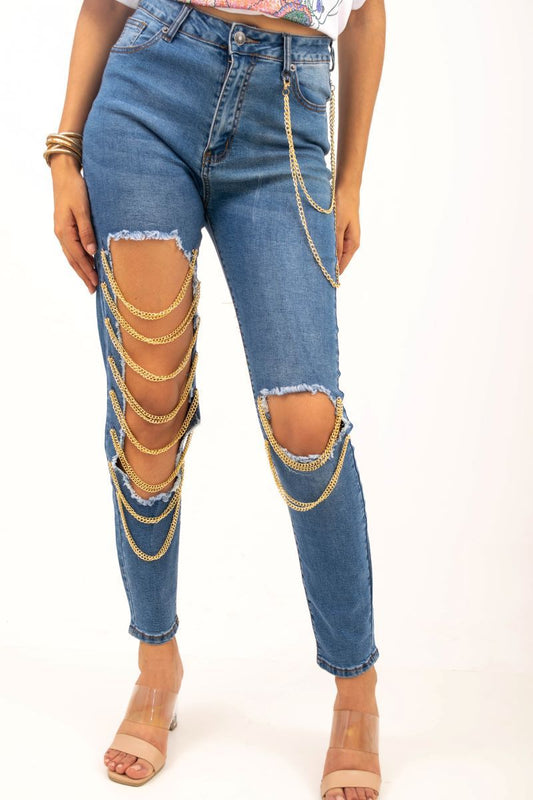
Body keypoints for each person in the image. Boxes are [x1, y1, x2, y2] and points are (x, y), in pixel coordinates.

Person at [45, 0, 386, 796]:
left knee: (306, 420)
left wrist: (349, 182)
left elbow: (367, 14)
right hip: (146, 94)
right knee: (148, 408)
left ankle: (356, 689)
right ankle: (155, 663)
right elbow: (103, 4)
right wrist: (63, 153)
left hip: (286, 116)